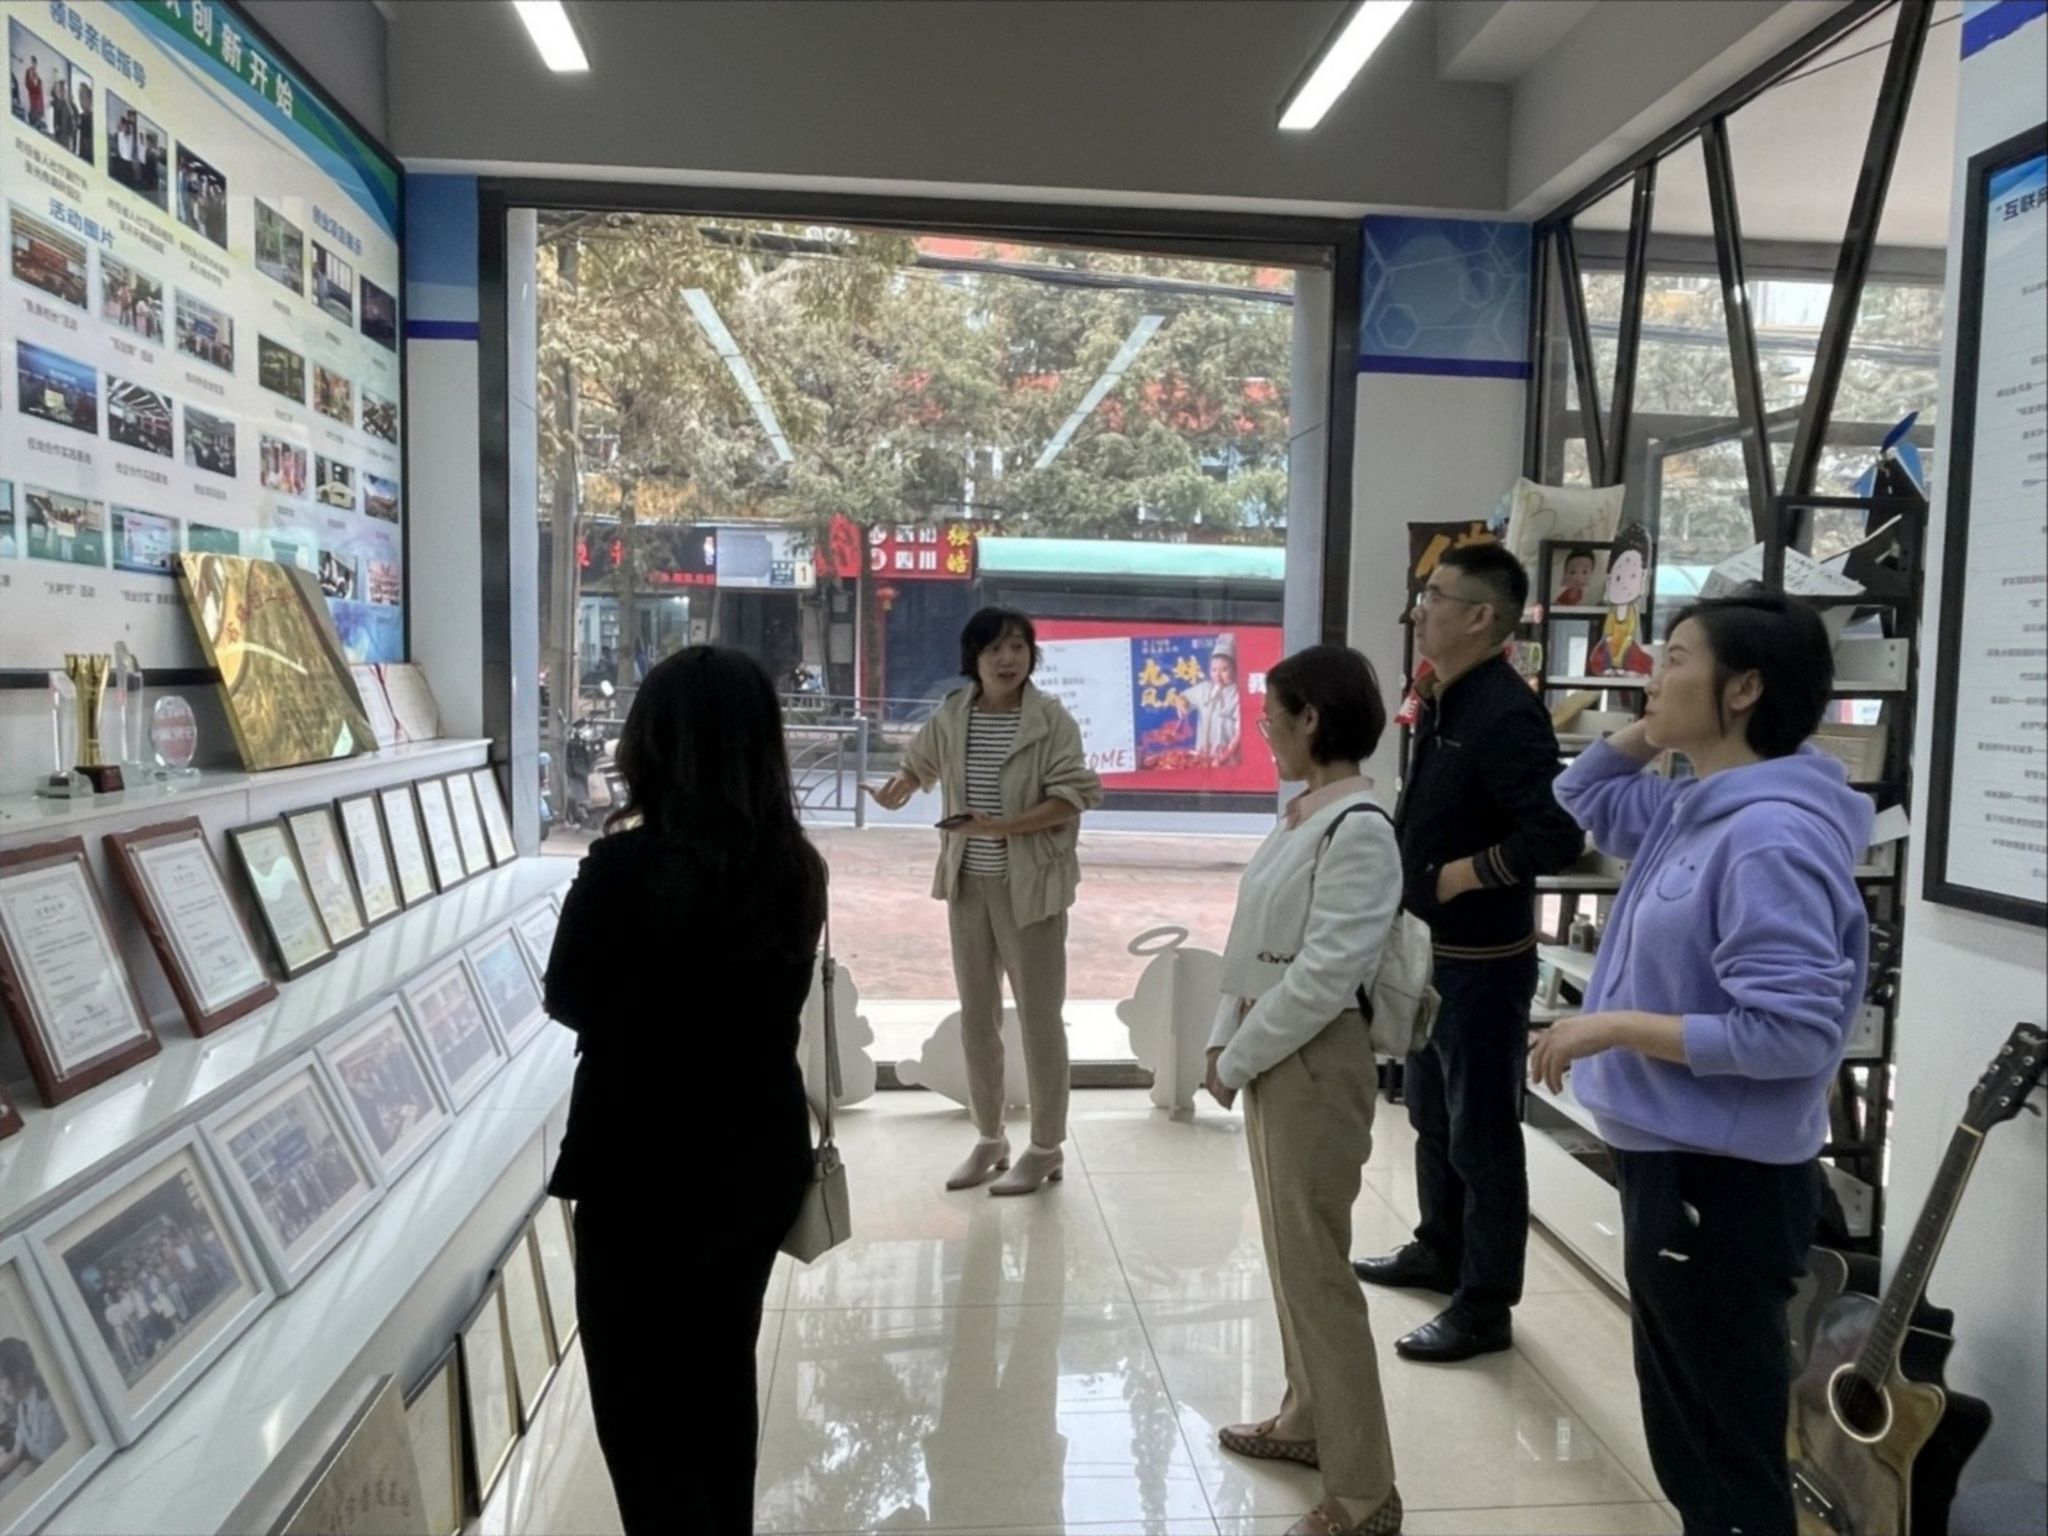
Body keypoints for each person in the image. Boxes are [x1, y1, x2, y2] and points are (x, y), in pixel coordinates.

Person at [1531, 594, 1869, 1535]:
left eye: (1675, 658)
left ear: (1745, 688)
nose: (1652, 673)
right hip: (1675, 1162)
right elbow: (1582, 795)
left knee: (1725, 1453)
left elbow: (1791, 1035)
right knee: (1694, 1437)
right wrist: (1661, 721)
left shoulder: (1770, 837)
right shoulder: (1698, 805)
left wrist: (1613, 1026)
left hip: (1720, 1184)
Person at [543, 647, 828, 1533]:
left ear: (652, 744)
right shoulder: (795, 867)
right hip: (754, 1152)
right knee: (719, 1371)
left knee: (638, 1400)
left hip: (638, 1157)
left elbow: (568, 995)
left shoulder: (620, 867)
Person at [1354, 542, 1583, 1362]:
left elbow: (1555, 834)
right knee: (1429, 1112)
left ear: (1482, 616)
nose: (1420, 610)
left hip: (1482, 960)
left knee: (1481, 1131)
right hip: (1428, 950)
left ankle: (1486, 1302)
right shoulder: (1443, 695)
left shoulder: (1505, 712)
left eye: (1437, 597)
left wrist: (1459, 876)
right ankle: (1439, 1248)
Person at [1208, 646, 1405, 1536]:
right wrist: (1225, 1039)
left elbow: (1326, 975)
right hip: (1277, 1053)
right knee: (1293, 1256)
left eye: (1272, 715)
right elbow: (1254, 945)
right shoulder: (1304, 817)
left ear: (1311, 719)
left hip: (1316, 1061)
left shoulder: (1359, 829)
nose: (1265, 730)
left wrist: (1238, 1055)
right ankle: (1306, 1417)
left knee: (1318, 1271)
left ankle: (1364, 1491)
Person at [866, 607, 1103, 1195]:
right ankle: (990, 1137)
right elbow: (919, 763)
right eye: (995, 648)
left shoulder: (1050, 720)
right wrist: (901, 787)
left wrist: (1000, 827)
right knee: (977, 1017)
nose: (1007, 659)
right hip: (967, 883)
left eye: (1018, 647)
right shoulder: (954, 713)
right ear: (973, 658)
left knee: (1040, 1019)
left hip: (1032, 888)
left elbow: (1072, 797)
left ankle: (1045, 1146)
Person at [0, 1336, 66, 1490]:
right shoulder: (22, 1406)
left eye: (1, 1380)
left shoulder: (49, 1404)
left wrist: (33, 1465)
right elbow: (15, 1453)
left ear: (19, 1377)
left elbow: (53, 1456)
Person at [1174, 635, 1244, 767]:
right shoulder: (1205, 688)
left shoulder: (1239, 694)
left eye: (1224, 670)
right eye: (1214, 670)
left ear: (1235, 670)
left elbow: (1240, 731)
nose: (1218, 675)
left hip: (1228, 757)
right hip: (1202, 755)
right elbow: (1183, 697)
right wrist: (1181, 703)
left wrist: (1226, 753)